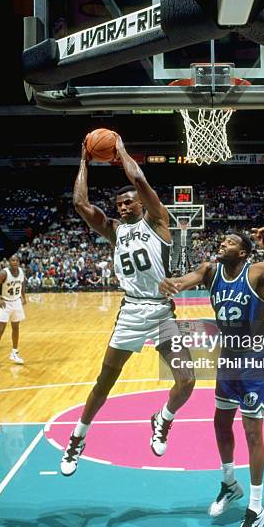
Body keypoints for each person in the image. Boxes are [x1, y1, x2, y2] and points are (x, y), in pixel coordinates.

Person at [159, 228, 264, 527]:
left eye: (229, 243)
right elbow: (180, 283)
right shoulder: (209, 271)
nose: (221, 244)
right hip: (228, 358)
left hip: (254, 359)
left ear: (242, 252)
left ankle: (256, 508)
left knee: (253, 432)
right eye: (222, 240)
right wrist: (160, 285)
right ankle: (229, 483)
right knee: (220, 421)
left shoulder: (256, 271)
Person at [60, 135, 195, 477]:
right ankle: (78, 437)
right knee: (105, 381)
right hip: (132, 311)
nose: (123, 206)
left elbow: (139, 179)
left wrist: (119, 149)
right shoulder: (115, 231)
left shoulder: (158, 221)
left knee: (187, 380)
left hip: (162, 312)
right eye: (119, 204)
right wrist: (84, 160)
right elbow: (79, 203)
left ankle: (162, 419)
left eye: (128, 202)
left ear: (141, 204)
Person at [0, 255, 26, 367]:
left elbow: (23, 283)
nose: (15, 262)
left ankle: (14, 353)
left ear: (19, 262)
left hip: (16, 302)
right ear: (9, 262)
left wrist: (24, 296)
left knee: (16, 327)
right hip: (5, 303)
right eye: (12, 260)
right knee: (0, 330)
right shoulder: (4, 273)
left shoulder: (21, 271)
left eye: (16, 260)